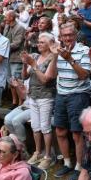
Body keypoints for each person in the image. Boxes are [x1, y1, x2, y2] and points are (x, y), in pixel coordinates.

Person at [53, 22, 91, 180]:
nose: (67, 38)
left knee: (77, 133)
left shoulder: (84, 50)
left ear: (75, 35)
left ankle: (79, 166)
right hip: (61, 93)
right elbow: (52, 74)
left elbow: (84, 75)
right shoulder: (57, 50)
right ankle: (68, 163)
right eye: (64, 35)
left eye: (70, 35)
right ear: (60, 37)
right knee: (60, 131)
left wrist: (70, 60)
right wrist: (55, 56)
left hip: (78, 94)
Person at [21, 32, 58, 169]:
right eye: (39, 42)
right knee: (35, 126)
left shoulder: (52, 58)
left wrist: (33, 65)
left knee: (45, 127)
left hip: (46, 97)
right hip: (33, 96)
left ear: (50, 44)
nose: (39, 44)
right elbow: (24, 77)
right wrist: (25, 64)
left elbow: (45, 80)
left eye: (42, 42)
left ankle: (48, 156)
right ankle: (37, 152)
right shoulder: (35, 56)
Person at [2, 10, 26, 107]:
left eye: (6, 16)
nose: (4, 18)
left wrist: (2, 47)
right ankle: (14, 101)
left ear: (11, 17)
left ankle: (21, 102)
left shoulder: (20, 28)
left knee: (17, 80)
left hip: (16, 58)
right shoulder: (7, 27)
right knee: (10, 81)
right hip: (7, 56)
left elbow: (17, 43)